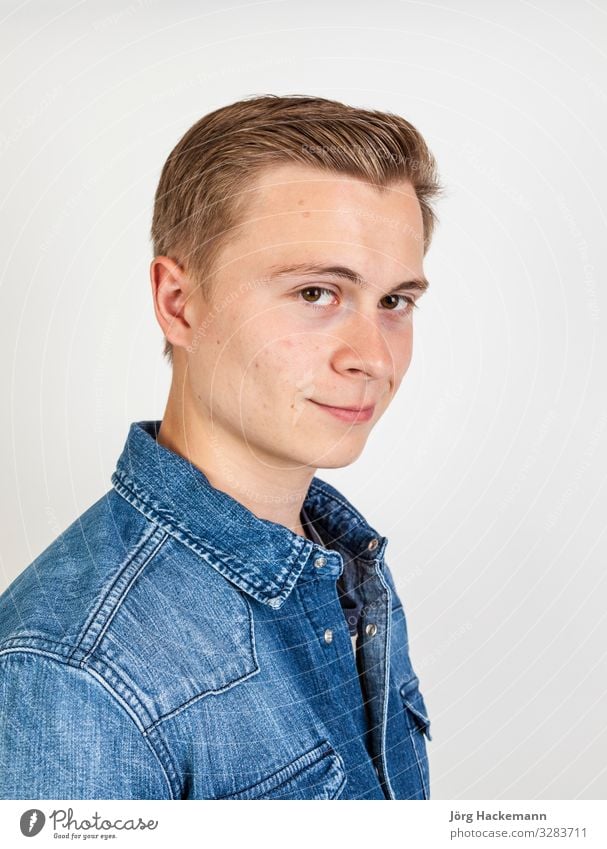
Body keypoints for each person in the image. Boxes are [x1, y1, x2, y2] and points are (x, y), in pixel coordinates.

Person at [0, 94, 442, 800]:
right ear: (179, 302)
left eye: (394, 302)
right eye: (315, 292)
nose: (372, 357)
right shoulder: (75, 670)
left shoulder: (340, 564)